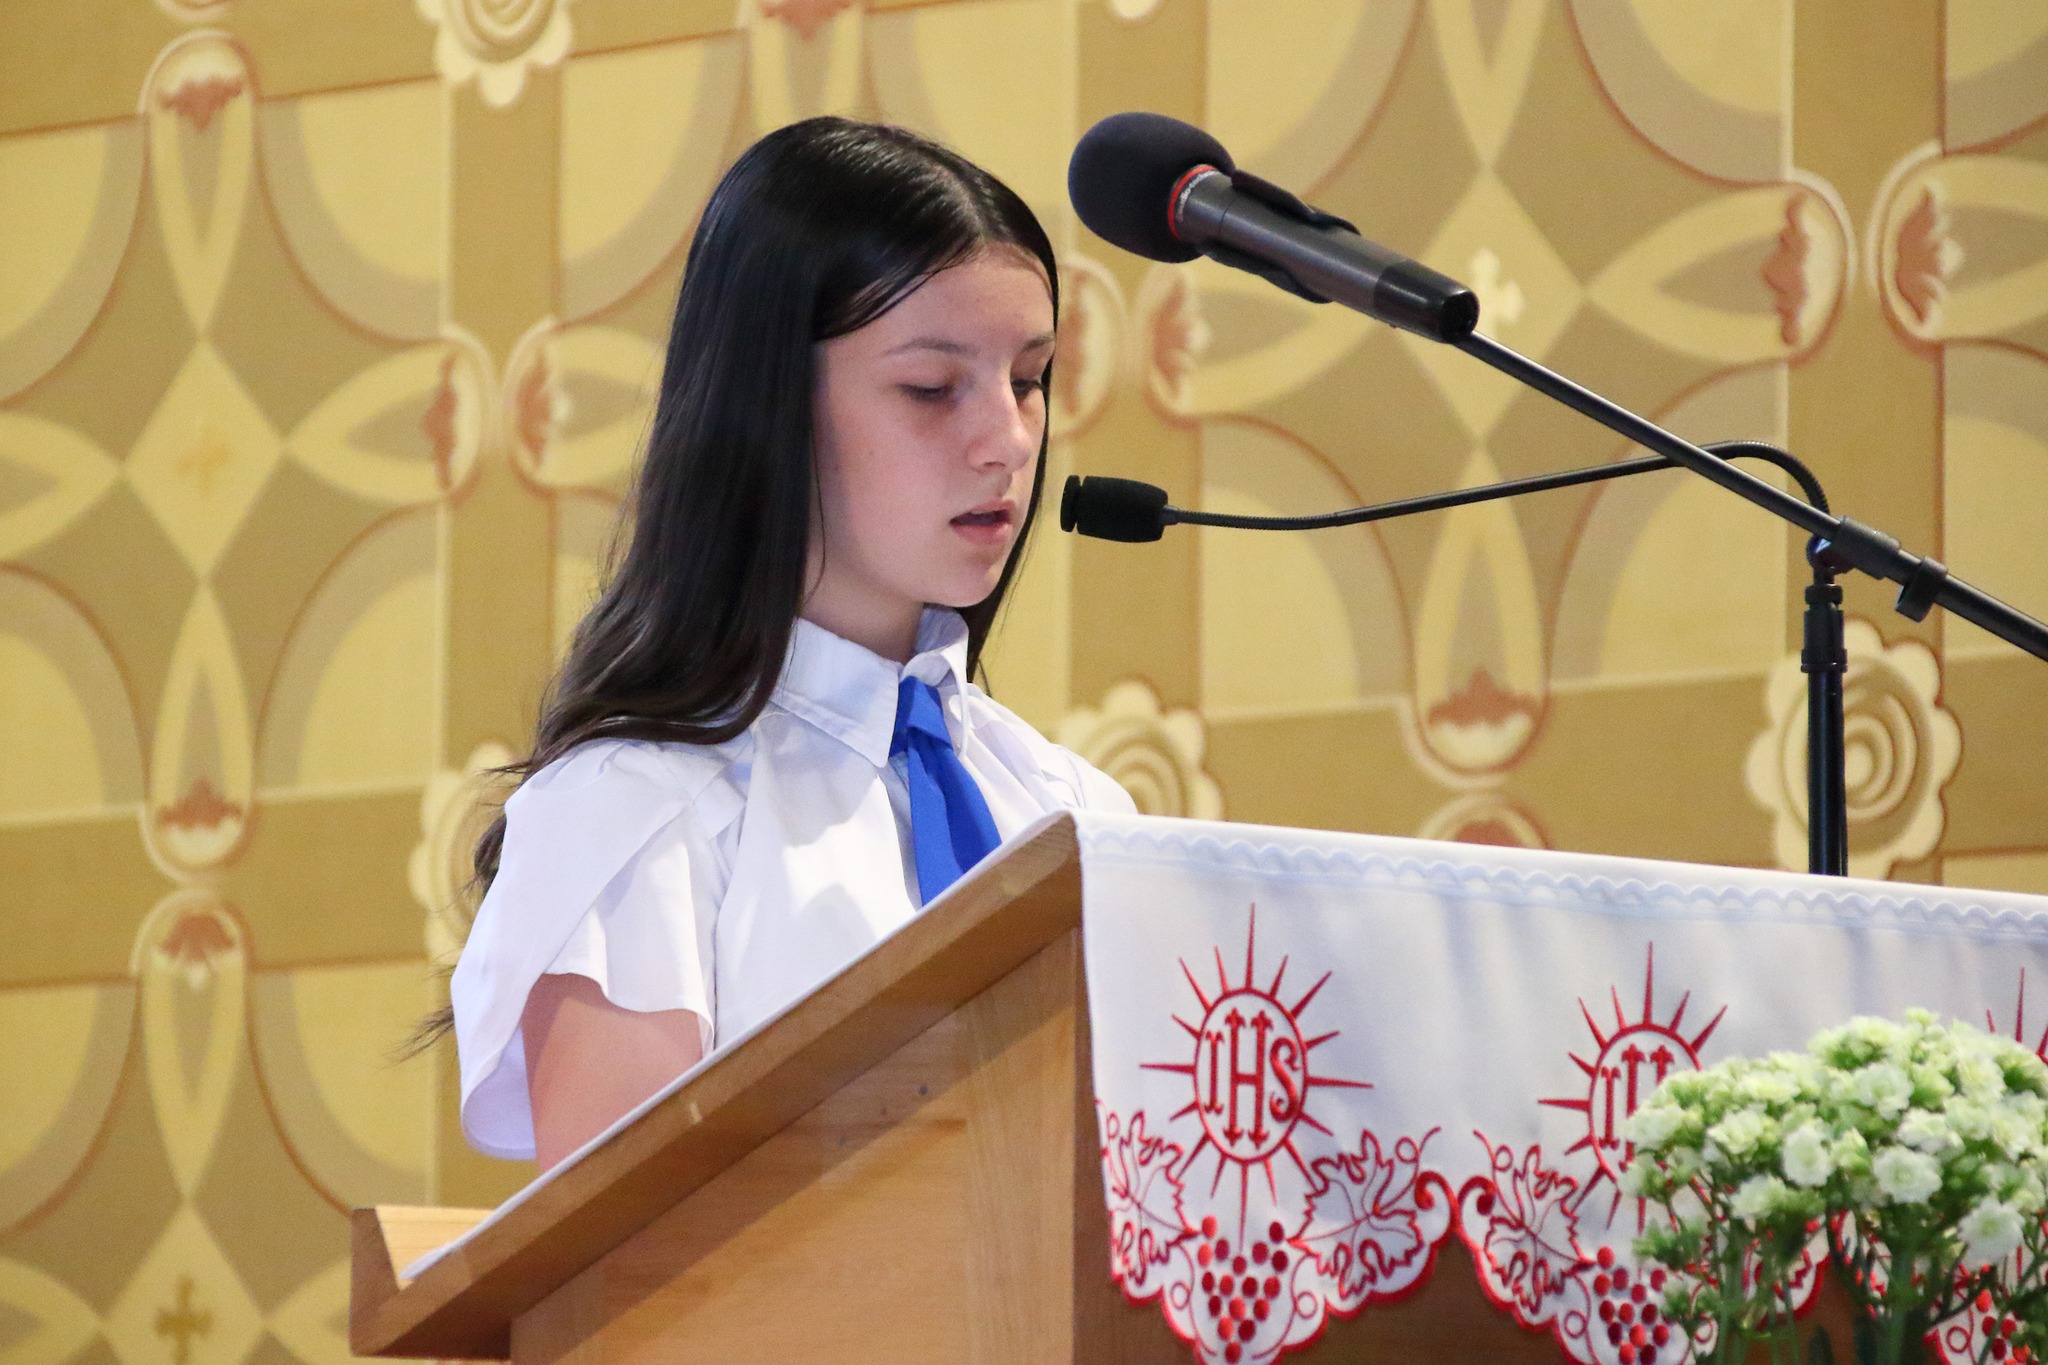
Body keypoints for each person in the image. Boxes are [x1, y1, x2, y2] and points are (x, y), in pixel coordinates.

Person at [447, 117, 1136, 1171]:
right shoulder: (637, 815)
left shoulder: (1074, 809)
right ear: (765, 401)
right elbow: (626, 1257)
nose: (1007, 440)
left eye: (1030, 379)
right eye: (931, 387)